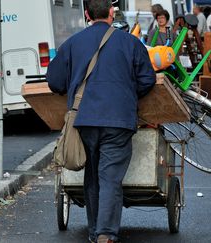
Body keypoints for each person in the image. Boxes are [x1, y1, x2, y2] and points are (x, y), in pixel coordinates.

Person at [46, 0, 156, 242]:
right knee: (110, 177)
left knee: (93, 175)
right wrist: (126, 93)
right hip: (119, 120)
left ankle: (95, 231)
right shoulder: (131, 43)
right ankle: (105, 233)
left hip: (84, 119)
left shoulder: (73, 43)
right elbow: (148, 80)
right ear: (111, 13)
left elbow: (54, 82)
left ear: (86, 15)